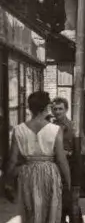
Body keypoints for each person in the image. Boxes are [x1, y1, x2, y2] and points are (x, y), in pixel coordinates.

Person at [4, 91, 72, 223]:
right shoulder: (55, 129)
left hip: (27, 173)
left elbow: (12, 160)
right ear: (47, 107)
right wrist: (68, 184)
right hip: (50, 173)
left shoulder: (18, 130)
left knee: (30, 214)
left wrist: (7, 182)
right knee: (50, 213)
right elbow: (62, 160)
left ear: (29, 108)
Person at [50, 98, 85, 223]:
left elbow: (84, 149)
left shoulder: (74, 127)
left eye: (60, 109)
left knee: (73, 205)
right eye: (55, 109)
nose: (57, 112)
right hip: (54, 171)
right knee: (56, 206)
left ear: (66, 109)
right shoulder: (49, 128)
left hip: (72, 170)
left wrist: (70, 153)